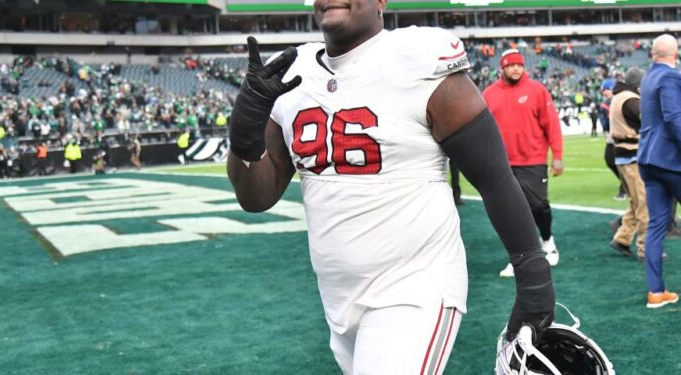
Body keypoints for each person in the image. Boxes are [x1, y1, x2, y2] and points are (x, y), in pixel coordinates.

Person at [226, 1, 555, 373]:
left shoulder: (418, 60)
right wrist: (244, 134)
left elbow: (494, 178)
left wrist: (533, 275)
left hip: (415, 284)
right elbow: (255, 196)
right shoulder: (293, 73)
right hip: (337, 297)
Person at [482, 49, 563, 278]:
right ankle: (518, 257)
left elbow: (552, 124)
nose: (516, 69)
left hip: (533, 160)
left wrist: (557, 155)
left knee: (539, 206)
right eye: (511, 65)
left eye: (519, 65)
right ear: (503, 67)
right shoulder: (489, 93)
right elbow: (483, 129)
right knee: (511, 213)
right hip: (502, 163)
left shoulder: (537, 90)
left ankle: (547, 241)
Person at [637, 34, 681, 309]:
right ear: (674, 54)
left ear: (654, 53)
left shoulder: (648, 78)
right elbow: (674, 117)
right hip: (670, 160)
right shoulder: (670, 78)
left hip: (648, 160)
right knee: (657, 226)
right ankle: (656, 292)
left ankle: (656, 292)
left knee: (656, 226)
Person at [608, 67, 648, 260]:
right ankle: (646, 248)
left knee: (635, 201)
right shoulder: (632, 100)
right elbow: (647, 121)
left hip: (623, 157)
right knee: (644, 203)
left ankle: (622, 238)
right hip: (632, 157)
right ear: (638, 85)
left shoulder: (619, 96)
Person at [600, 79, 629, 201]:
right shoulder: (607, 103)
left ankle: (625, 186)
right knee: (610, 159)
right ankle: (626, 184)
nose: (604, 92)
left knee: (621, 162)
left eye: (606, 89)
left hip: (621, 135)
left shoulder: (621, 100)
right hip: (612, 136)